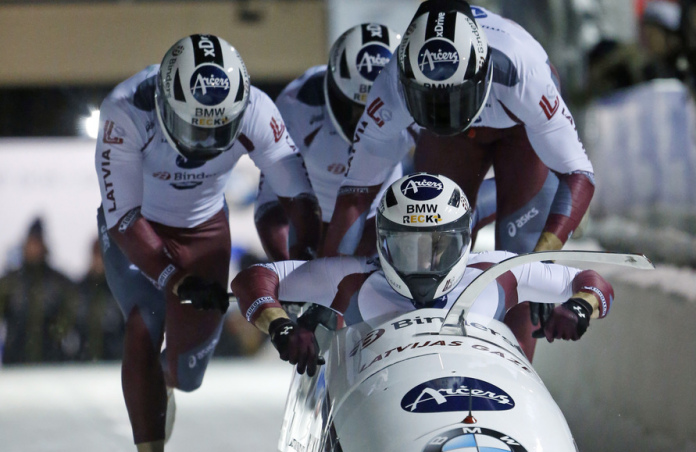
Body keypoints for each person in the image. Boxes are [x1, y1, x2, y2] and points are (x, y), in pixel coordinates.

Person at [94, 34, 322, 452]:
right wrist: (173, 278)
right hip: (138, 230)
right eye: (192, 130)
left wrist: (310, 271)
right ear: (164, 104)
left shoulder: (257, 111)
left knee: (187, 374)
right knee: (143, 323)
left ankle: (168, 383)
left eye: (217, 133)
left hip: (205, 231)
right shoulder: (125, 112)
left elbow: (298, 199)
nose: (203, 148)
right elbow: (126, 222)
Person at [321, 1, 596, 360]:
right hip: (447, 141)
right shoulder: (391, 86)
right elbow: (355, 197)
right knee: (421, 249)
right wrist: (326, 294)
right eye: (430, 100)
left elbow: (579, 174)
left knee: (522, 271)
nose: (444, 112)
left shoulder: (522, 72)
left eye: (454, 98)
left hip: (521, 134)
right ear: (408, 80)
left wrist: (540, 261)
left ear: (482, 75)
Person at [227, 173, 615, 377]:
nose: (424, 263)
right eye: (408, 247)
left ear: (463, 242)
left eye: (438, 247)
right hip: (378, 396)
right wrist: (280, 326)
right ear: (383, 244)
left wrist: (580, 308)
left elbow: (593, 284)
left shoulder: (494, 272)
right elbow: (255, 278)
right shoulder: (351, 277)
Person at [254, 23, 405, 260]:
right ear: (332, 92)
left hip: (373, 217)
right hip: (308, 219)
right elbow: (271, 203)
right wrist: (291, 268)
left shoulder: (413, 104)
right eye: (358, 111)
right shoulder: (297, 106)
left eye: (380, 113)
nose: (368, 127)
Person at [0, 218, 78, 365]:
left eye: (37, 243)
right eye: (31, 243)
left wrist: (56, 331)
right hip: (15, 361)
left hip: (49, 361)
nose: (34, 249)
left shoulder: (58, 283)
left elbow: (72, 312)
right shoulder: (10, 283)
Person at [74, 239, 125, 362]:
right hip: (82, 361)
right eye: (96, 255)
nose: (98, 261)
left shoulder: (120, 290)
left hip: (113, 362)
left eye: (102, 256)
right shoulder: (80, 290)